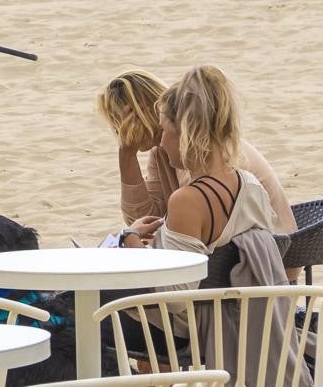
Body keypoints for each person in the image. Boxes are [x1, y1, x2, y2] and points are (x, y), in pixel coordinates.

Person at [111, 66, 282, 352]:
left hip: (192, 327)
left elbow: (176, 298)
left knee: (78, 322)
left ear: (187, 133)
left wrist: (129, 241)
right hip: (240, 317)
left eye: (165, 131)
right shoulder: (249, 185)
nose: (161, 143)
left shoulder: (187, 199)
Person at [95, 68, 299, 280]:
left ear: (143, 113)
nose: (119, 132)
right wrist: (126, 155)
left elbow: (180, 277)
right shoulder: (171, 153)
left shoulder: (203, 161)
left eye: (119, 122)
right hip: (248, 269)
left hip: (264, 268)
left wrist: (132, 242)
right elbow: (146, 218)